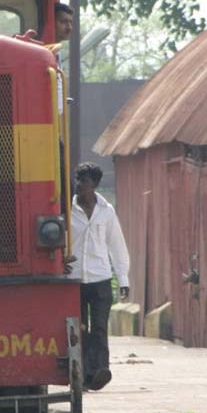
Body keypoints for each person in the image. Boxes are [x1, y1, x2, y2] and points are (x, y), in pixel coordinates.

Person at [67, 162, 130, 391]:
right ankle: (83, 374)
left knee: (100, 328)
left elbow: (117, 245)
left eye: (84, 181)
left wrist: (123, 279)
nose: (79, 185)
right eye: (78, 180)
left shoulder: (107, 211)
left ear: (94, 185)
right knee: (80, 329)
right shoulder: (67, 209)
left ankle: (101, 370)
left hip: (101, 278)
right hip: (75, 279)